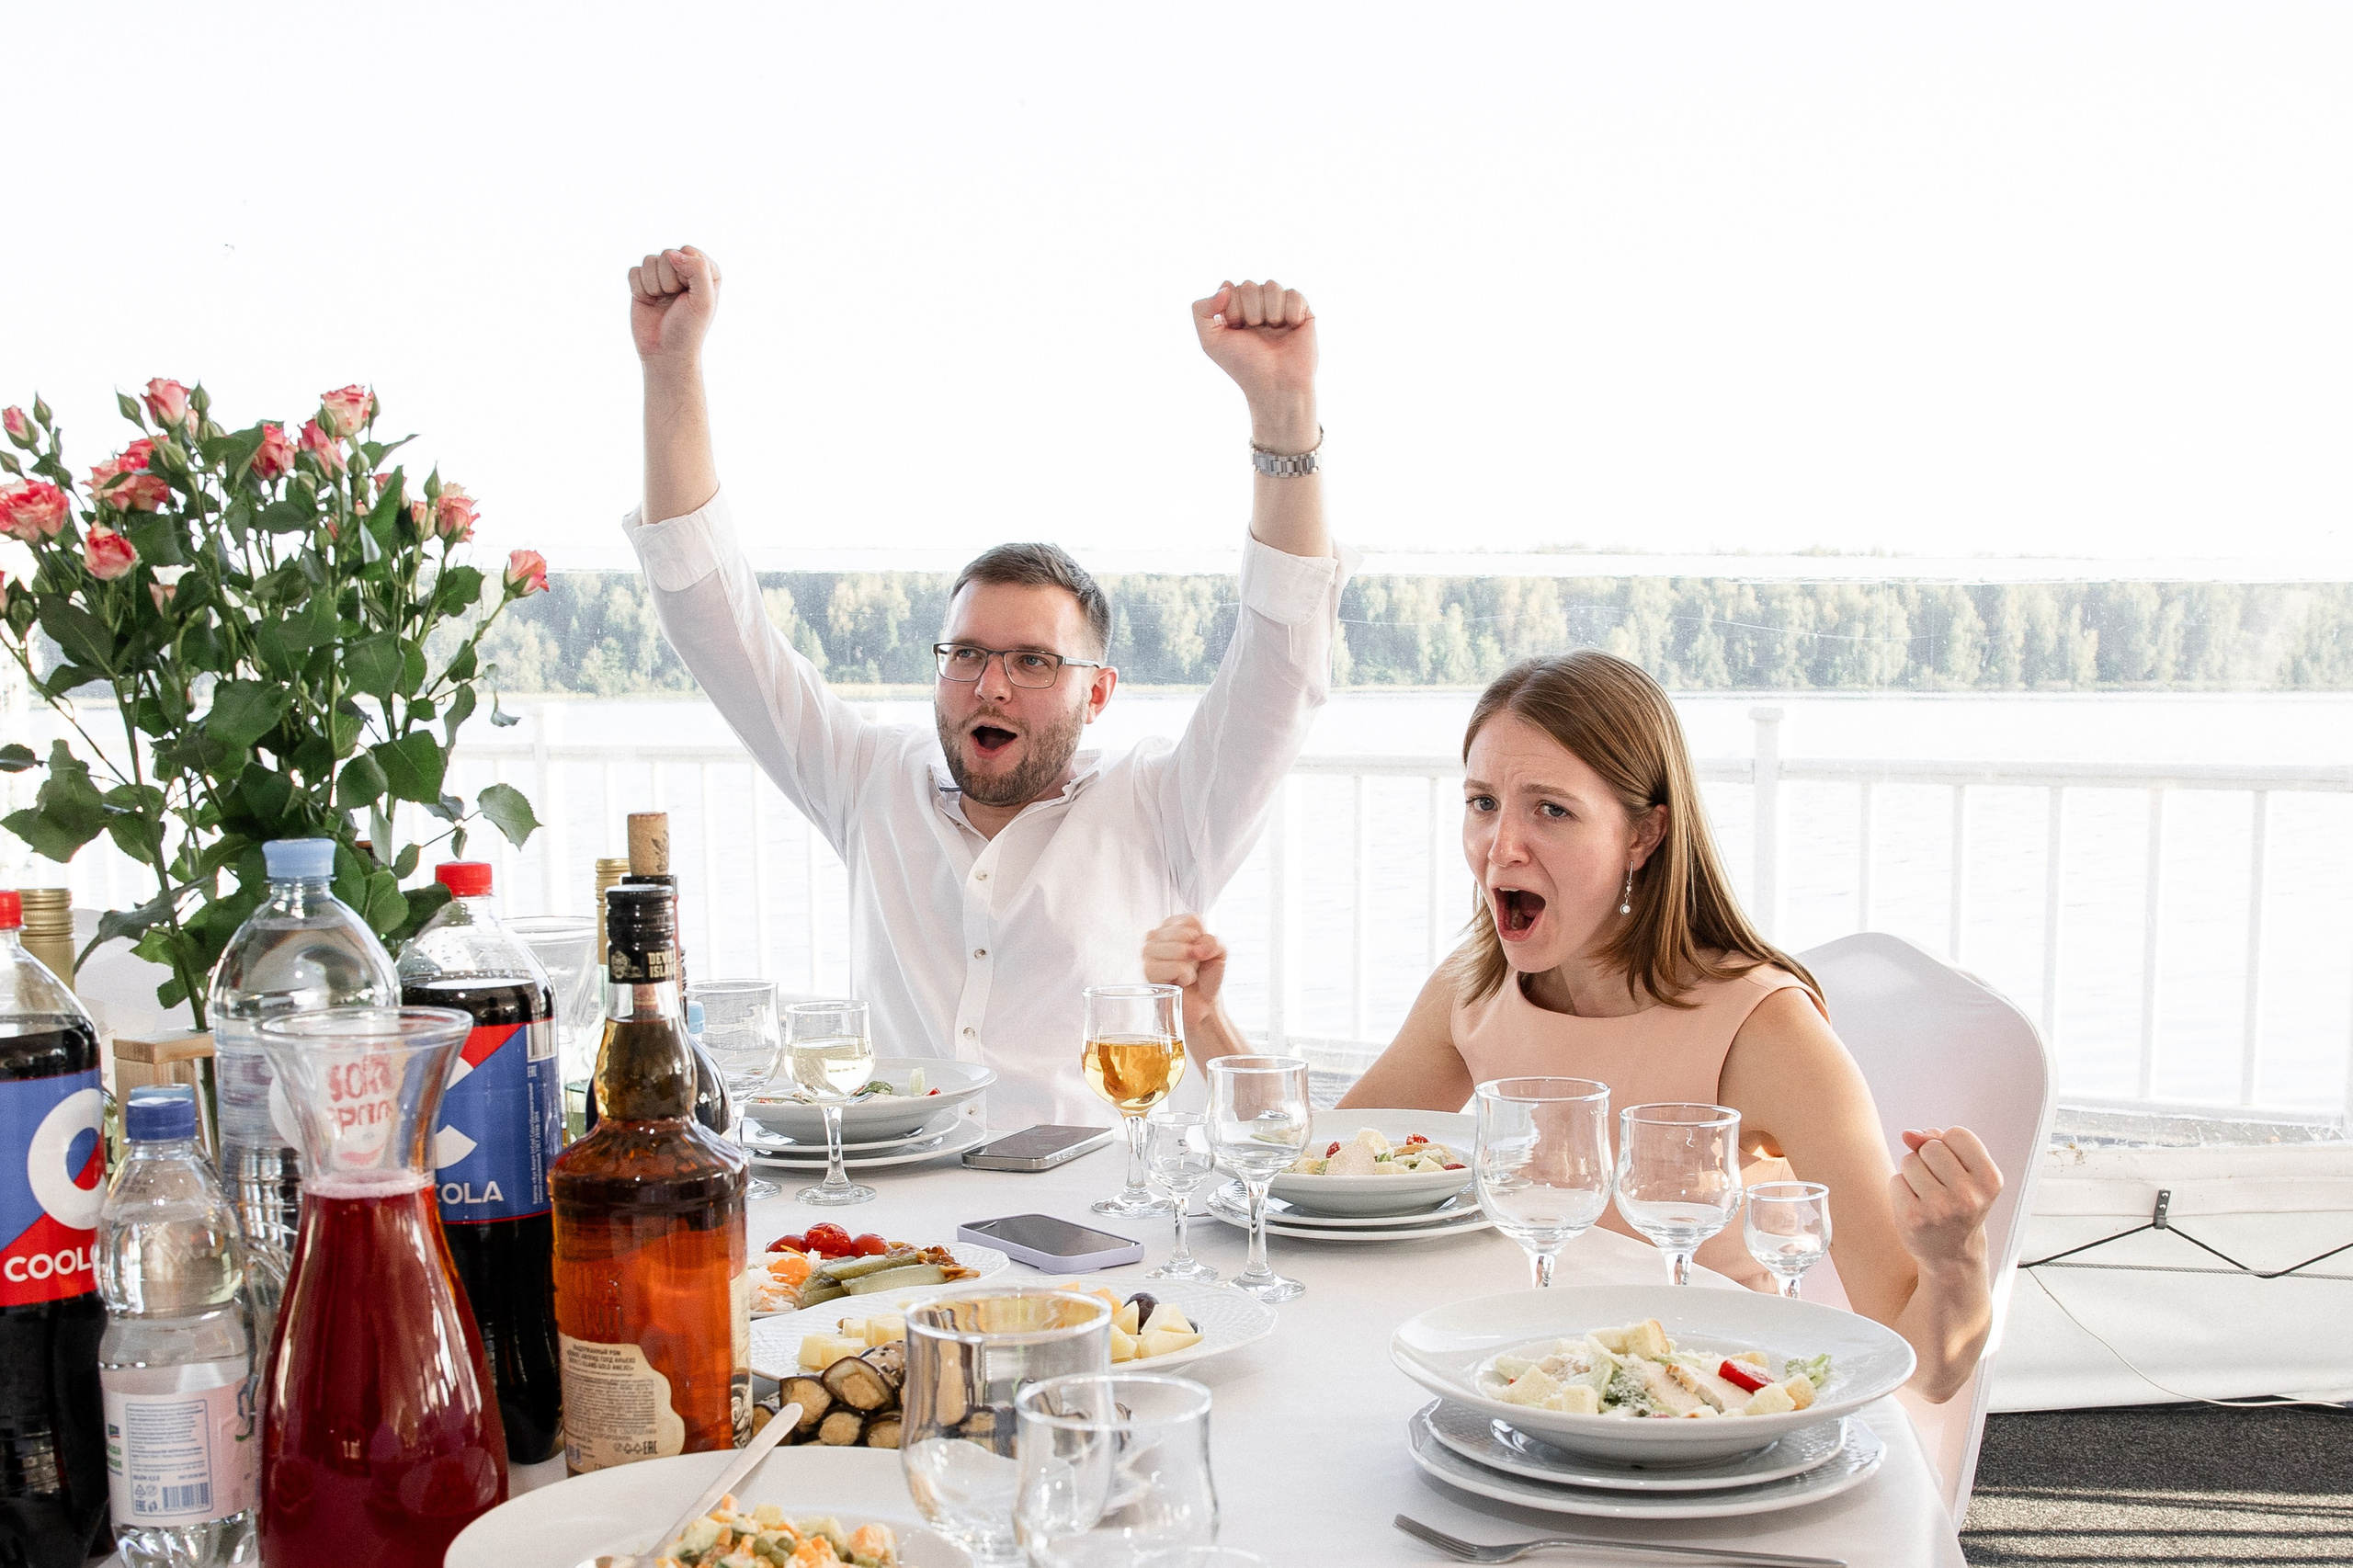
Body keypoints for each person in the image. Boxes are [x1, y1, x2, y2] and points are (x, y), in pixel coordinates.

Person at [1145, 650, 2005, 1401]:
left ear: (1644, 834)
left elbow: (1928, 1368)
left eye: (1550, 810)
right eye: (1483, 802)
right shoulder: (1474, 988)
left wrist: (1955, 1254)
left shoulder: (1764, 1029)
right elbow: (1328, 1172)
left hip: (1705, 1413)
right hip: (1537, 1386)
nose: (1501, 846)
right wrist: (1208, 1022)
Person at [622, 245, 1349, 1126]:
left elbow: (1282, 662)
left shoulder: (1165, 808)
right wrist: (671, 368)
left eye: (1034, 662)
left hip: (1095, 1205)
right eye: (967, 654)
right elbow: (711, 618)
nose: (991, 687)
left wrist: (1283, 412)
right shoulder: (870, 782)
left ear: (1099, 693)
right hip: (902, 1204)